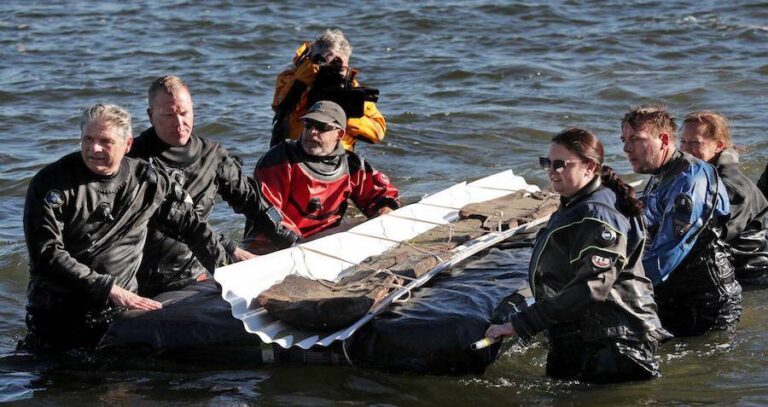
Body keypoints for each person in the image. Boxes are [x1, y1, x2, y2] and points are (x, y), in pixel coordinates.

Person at [22, 104, 226, 351]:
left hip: (121, 312)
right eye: (88, 139)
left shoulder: (147, 181)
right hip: (60, 315)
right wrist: (109, 289)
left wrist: (228, 274)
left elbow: (192, 228)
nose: (94, 148)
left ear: (127, 145)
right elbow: (47, 253)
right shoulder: (51, 183)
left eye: (105, 141)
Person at [485, 128, 669, 383]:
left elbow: (592, 287)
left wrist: (523, 323)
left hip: (614, 341)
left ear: (590, 167)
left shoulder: (597, 214)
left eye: (560, 164)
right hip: (588, 332)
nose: (551, 171)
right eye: (547, 163)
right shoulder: (578, 202)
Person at [129, 76, 286, 297]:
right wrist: (229, 248)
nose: (179, 123)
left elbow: (253, 204)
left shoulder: (212, 156)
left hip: (198, 268)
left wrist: (290, 239)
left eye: (184, 113)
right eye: (168, 115)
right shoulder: (132, 162)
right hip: (144, 278)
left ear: (193, 109)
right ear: (150, 115)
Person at [621, 104, 741, 336]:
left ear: (663, 140)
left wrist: (616, 287)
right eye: (624, 139)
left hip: (706, 307)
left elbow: (666, 254)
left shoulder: (691, 180)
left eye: (636, 139)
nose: (626, 148)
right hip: (672, 296)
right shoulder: (662, 174)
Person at [244, 101, 399, 253]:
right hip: (274, 246)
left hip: (324, 242)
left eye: (321, 127)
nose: (312, 132)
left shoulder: (352, 165)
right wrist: (300, 245)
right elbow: (267, 213)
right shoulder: (279, 160)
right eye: (308, 125)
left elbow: (383, 195)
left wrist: (385, 210)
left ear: (339, 134)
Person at [680, 111, 768, 287]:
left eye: (695, 143)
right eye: (683, 142)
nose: (686, 149)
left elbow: (707, 237)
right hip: (725, 269)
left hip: (751, 276)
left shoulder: (731, 188)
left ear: (719, 145)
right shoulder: (700, 177)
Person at [271, 28, 386, 151]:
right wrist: (308, 78)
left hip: (339, 155)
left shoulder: (351, 89)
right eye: (329, 64)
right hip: (298, 150)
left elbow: (378, 132)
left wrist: (344, 114)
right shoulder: (295, 78)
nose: (335, 71)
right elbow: (280, 104)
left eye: (342, 68)